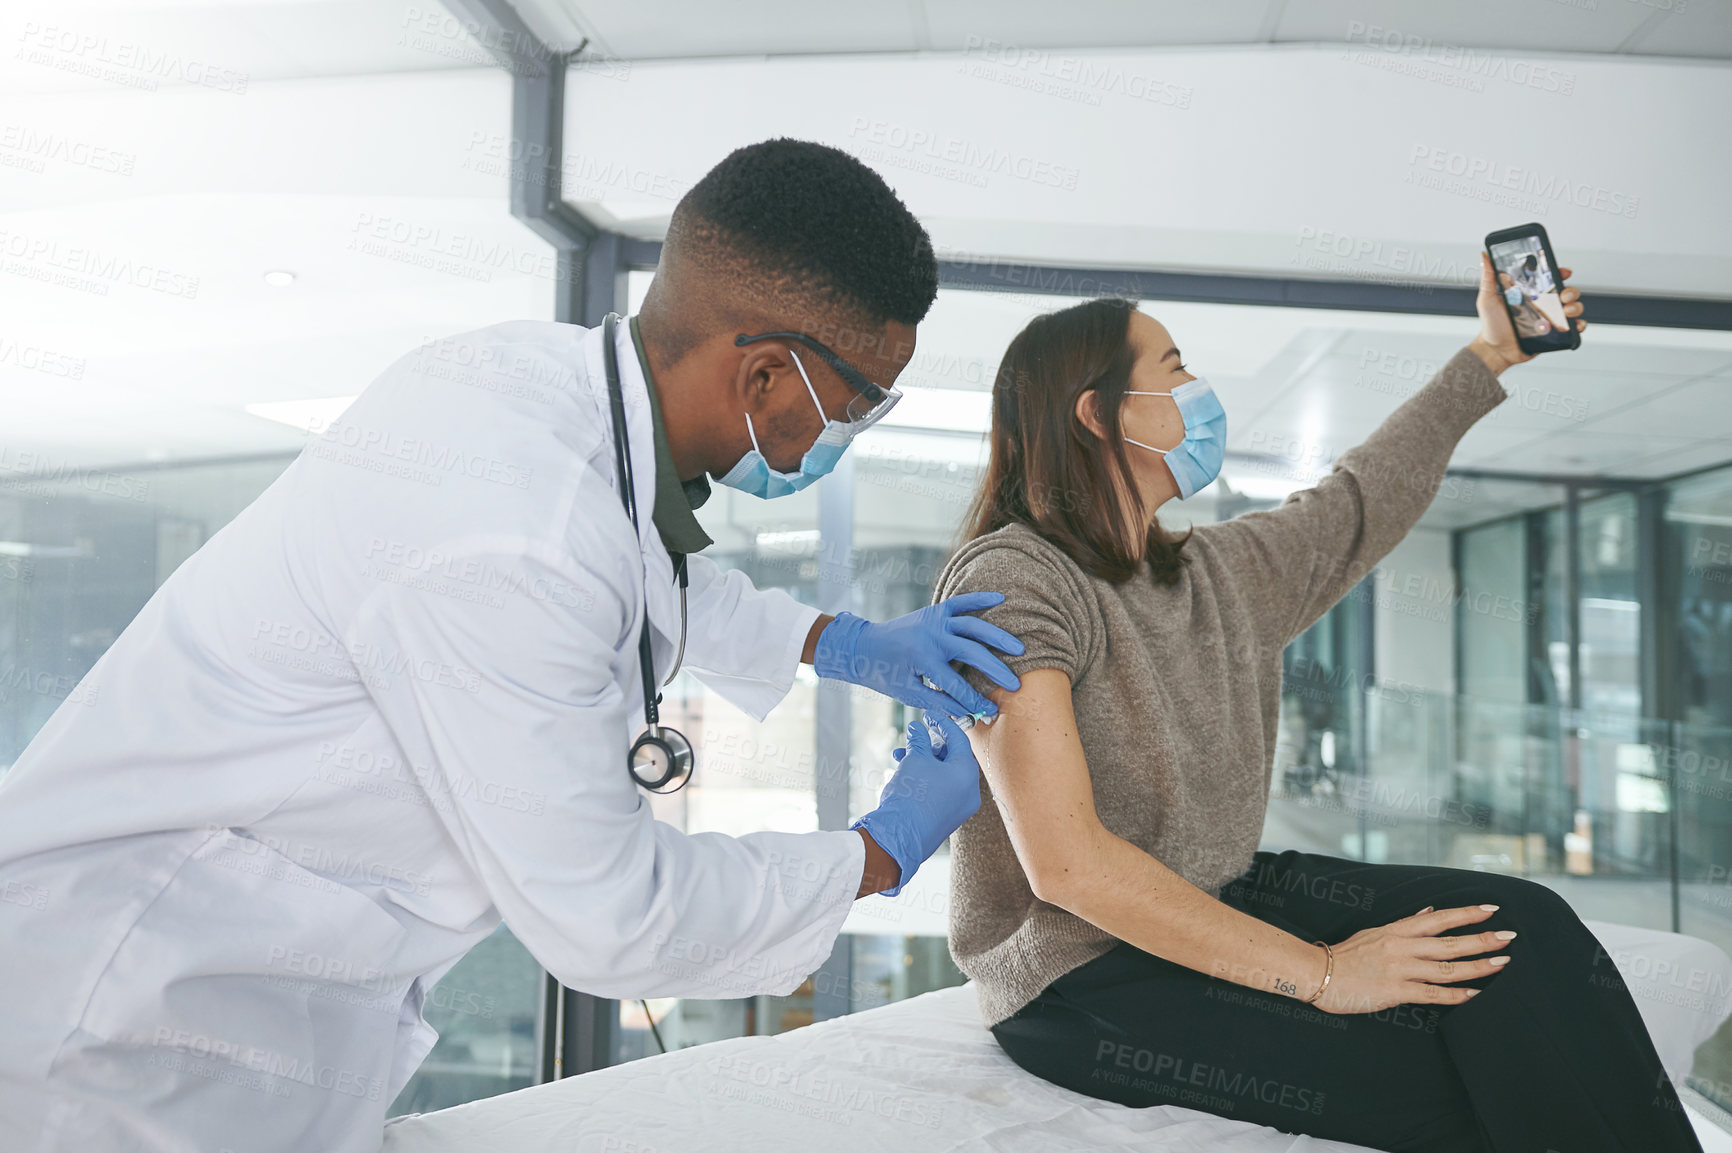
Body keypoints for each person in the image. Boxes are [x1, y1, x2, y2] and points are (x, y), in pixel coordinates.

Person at [0, 138, 1026, 1153]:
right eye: (852, 407)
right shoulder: (507, 535)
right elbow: (612, 918)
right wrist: (883, 848)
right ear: (764, 372)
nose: (843, 436)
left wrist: (840, 640)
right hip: (111, 1036)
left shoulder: (535, 390)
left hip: (249, 987)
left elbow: (639, 573)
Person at [933, 258, 1700, 1151]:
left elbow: (1359, 499)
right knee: (1460, 1072)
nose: (1199, 390)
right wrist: (1327, 973)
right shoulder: (1014, 579)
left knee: (1518, 926)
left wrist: (1492, 351)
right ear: (1097, 412)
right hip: (1079, 973)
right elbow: (1068, 868)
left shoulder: (1213, 575)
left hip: (1210, 890)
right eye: (1176, 368)